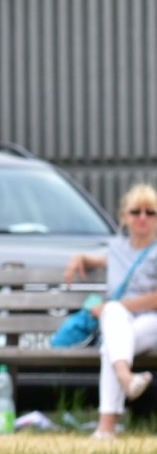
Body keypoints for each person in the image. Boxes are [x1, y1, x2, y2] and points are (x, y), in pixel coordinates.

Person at [64, 184, 157, 440]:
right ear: (124, 216)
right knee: (113, 343)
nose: (142, 218)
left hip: (151, 323)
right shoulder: (116, 248)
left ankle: (106, 426)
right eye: (135, 211)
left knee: (112, 330)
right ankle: (125, 379)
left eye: (150, 212)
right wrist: (79, 258)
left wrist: (113, 307)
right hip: (122, 324)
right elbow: (94, 259)